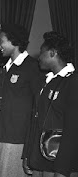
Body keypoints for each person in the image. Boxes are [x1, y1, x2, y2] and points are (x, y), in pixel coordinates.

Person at [0, 24, 41, 177]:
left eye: (1, 41)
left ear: (14, 42)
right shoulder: (4, 69)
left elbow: (38, 107)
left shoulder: (32, 67)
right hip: (0, 136)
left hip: (18, 140)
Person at [24, 31, 78, 177]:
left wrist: (63, 169)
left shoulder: (72, 82)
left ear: (53, 53)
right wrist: (28, 155)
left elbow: (73, 129)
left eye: (42, 53)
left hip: (59, 163)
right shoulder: (45, 81)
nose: (38, 57)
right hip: (39, 160)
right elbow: (34, 120)